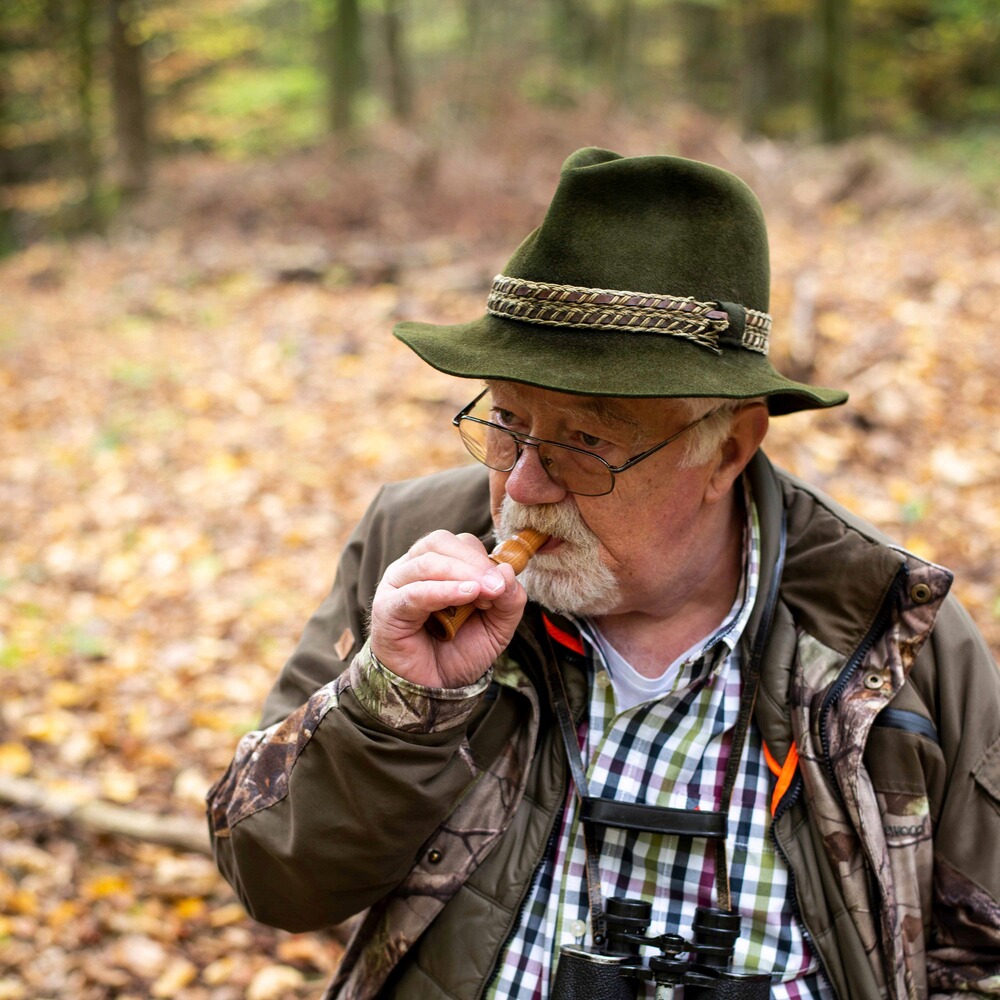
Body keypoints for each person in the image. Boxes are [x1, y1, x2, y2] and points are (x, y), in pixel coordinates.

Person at [207, 148, 1000, 1000]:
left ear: (728, 449)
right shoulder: (420, 554)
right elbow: (277, 881)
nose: (523, 487)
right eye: (508, 420)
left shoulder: (889, 629)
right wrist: (396, 705)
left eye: (587, 441)